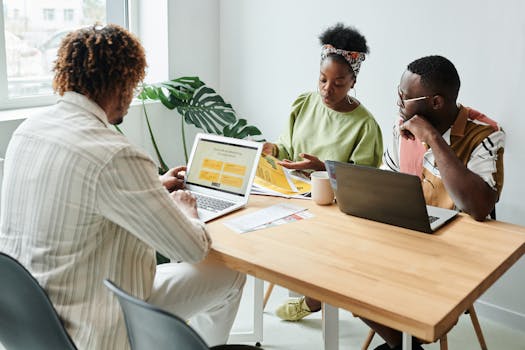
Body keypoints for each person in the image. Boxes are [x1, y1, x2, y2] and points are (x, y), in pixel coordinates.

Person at [0, 24, 245, 350]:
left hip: (34, 321)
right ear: (120, 82)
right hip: (95, 326)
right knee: (228, 275)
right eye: (133, 83)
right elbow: (192, 249)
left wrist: (151, 186)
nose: (133, 95)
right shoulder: (115, 154)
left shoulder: (30, 130)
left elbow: (78, 191)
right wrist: (185, 210)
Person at [369, 55, 505, 350]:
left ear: (436, 102)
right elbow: (389, 182)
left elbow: (479, 207)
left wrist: (432, 137)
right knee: (347, 280)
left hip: (457, 251)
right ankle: (403, 345)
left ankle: (404, 343)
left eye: (404, 98)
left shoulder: (485, 134)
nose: (398, 103)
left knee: (413, 313)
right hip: (409, 237)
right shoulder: (403, 125)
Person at [266, 23, 383, 321]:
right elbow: (286, 146)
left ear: (353, 81)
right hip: (291, 195)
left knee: (317, 244)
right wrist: (272, 150)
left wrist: (322, 168)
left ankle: (314, 297)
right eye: (322, 79)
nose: (327, 90)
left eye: (339, 83)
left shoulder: (365, 125)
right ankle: (311, 291)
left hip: (333, 210)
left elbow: (363, 185)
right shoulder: (304, 103)